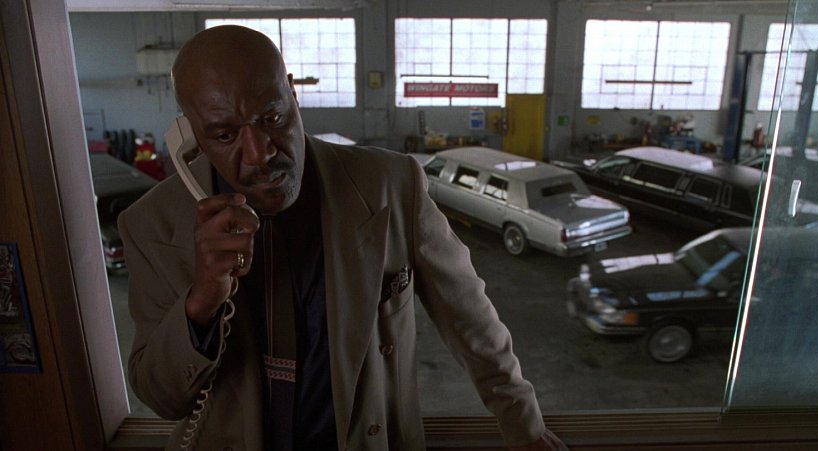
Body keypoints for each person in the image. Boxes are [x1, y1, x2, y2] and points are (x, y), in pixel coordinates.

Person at [119, 25, 567, 451]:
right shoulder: (151, 226)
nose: (260, 153)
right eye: (224, 135)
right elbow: (162, 398)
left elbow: (470, 316)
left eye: (272, 117)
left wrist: (522, 422)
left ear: (292, 93)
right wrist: (201, 302)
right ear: (191, 136)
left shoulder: (391, 185)